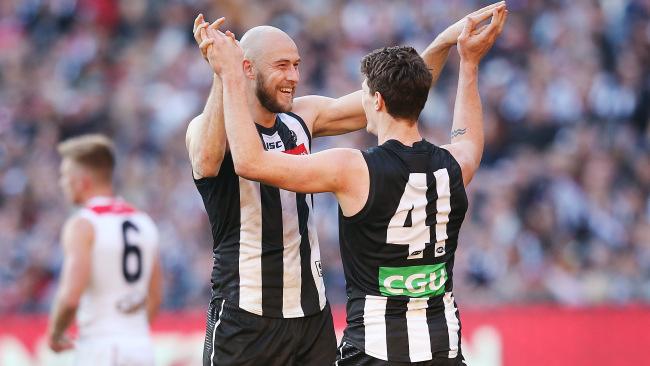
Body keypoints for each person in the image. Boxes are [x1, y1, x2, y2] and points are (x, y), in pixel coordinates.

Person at [187, 3, 505, 365]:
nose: (294, 76)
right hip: (246, 311)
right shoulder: (207, 128)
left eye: (297, 65)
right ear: (247, 68)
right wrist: (222, 73)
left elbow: (395, 94)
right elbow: (208, 161)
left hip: (311, 312)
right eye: (282, 66)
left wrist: (444, 42)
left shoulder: (301, 118)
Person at [47, 134, 163, 366]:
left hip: (99, 347)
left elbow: (71, 296)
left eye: (65, 176)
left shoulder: (83, 225)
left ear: (83, 181)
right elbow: (156, 294)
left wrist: (55, 333)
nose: (62, 183)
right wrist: (132, 332)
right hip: (141, 348)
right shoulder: (143, 222)